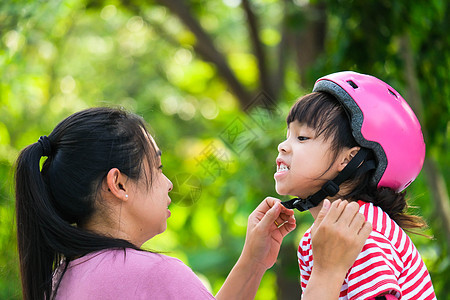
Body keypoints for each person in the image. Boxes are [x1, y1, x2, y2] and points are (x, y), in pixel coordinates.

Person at [15, 107, 371, 300]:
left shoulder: (62, 279)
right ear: (118, 183)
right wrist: (326, 273)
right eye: (157, 167)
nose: (169, 184)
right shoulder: (152, 276)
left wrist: (253, 262)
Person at [275, 71, 436, 299]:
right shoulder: (315, 240)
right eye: (287, 135)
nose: (282, 146)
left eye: (302, 138)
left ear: (348, 159)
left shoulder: (363, 234)